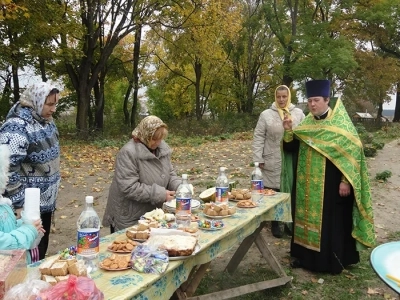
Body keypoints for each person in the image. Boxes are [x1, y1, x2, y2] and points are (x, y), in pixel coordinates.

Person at [281, 79, 375, 274]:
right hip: (305, 185)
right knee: (305, 220)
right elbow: (291, 148)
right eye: (309, 101)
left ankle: (328, 262)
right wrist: (289, 130)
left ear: (326, 100)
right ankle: (304, 258)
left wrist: (345, 180)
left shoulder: (340, 125)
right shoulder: (306, 123)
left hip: (331, 185)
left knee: (330, 222)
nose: (312, 104)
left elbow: (353, 152)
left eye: (316, 100)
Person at [0, 82, 61, 260]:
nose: (53, 109)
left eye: (55, 104)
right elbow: (8, 169)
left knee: (40, 247)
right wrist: (19, 206)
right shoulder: (17, 127)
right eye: (49, 104)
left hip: (45, 202)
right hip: (27, 206)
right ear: (36, 101)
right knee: (28, 253)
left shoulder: (46, 121)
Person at [102, 115, 182, 233]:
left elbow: (169, 173)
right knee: (127, 249)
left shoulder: (162, 149)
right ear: (145, 135)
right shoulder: (128, 153)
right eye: (154, 139)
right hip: (128, 215)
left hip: (149, 214)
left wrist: (181, 187)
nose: (158, 142)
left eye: (161, 138)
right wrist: (160, 194)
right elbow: (129, 187)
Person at [253, 85, 305, 238]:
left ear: (289, 96)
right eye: (278, 97)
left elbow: (303, 135)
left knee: (289, 189)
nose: (281, 100)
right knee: (273, 191)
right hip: (271, 156)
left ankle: (289, 223)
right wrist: (258, 158)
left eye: (284, 96)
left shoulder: (298, 113)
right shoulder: (266, 115)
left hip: (291, 157)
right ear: (275, 97)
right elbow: (258, 136)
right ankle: (275, 223)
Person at [0, 144, 45, 264]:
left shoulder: (3, 204)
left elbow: (8, 228)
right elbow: (4, 243)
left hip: (13, 269)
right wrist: (29, 231)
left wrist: (26, 224)